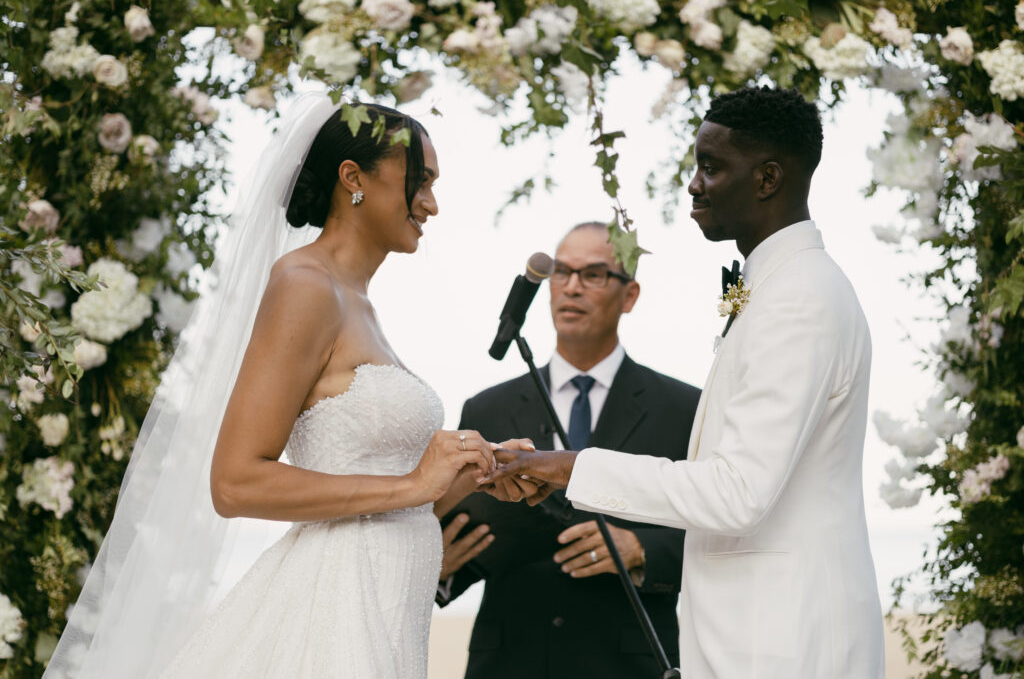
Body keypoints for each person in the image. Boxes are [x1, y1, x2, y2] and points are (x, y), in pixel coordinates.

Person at [45, 96, 496, 679]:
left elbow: (387, 496)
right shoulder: (306, 286)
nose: (432, 204)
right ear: (353, 178)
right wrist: (412, 483)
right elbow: (235, 483)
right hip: (333, 612)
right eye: (420, 180)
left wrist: (467, 475)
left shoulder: (361, 306)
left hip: (388, 610)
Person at [483, 87, 886, 678]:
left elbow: (735, 491)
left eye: (712, 167)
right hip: (746, 632)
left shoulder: (800, 298)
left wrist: (567, 466)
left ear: (769, 177)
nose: (694, 185)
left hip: (782, 639)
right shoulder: (779, 286)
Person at [439, 222, 701, 678]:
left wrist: (642, 548)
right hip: (507, 663)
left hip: (627, 665)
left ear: (631, 294)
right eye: (561, 273)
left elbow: (721, 524)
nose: (572, 288)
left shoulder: (684, 409)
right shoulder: (488, 407)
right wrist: (437, 566)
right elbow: (459, 531)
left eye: (594, 274)